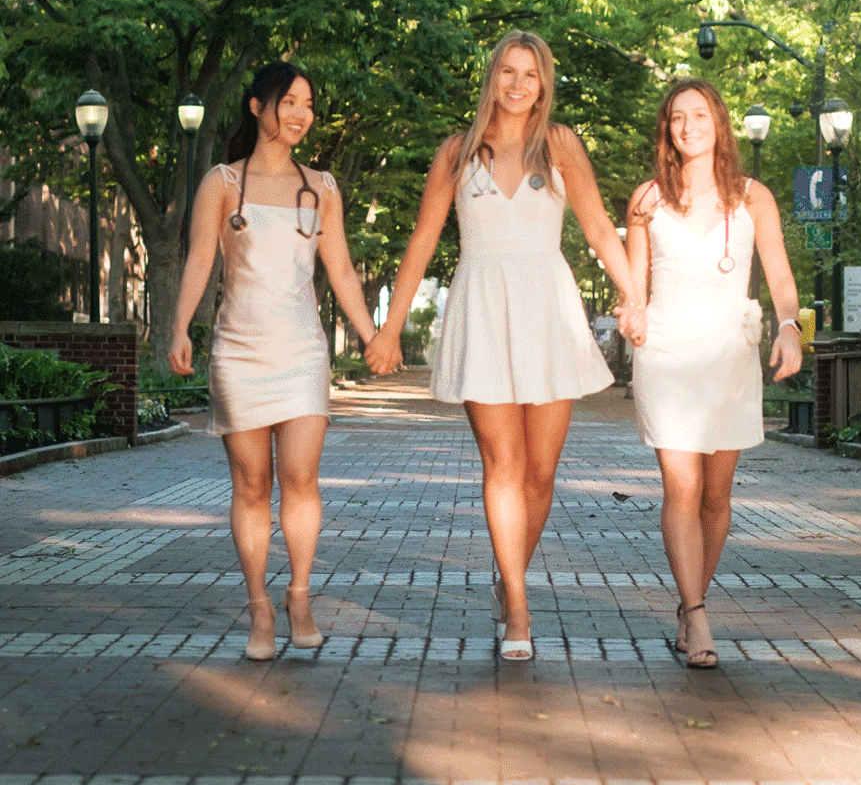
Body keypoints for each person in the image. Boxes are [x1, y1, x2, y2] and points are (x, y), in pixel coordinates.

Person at [366, 32, 645, 661]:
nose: (518, 84)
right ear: (492, 77)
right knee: (503, 465)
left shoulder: (561, 145)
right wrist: (389, 328)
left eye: (530, 74)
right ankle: (517, 602)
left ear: (544, 85)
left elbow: (599, 226)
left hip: (548, 310)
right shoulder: (457, 152)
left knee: (540, 473)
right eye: (508, 72)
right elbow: (423, 240)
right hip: (483, 309)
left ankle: (507, 572)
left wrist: (635, 297)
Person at [168, 62, 380, 661]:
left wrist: (372, 336)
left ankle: (300, 597)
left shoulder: (323, 188)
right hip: (238, 350)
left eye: (308, 104)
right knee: (252, 483)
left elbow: (342, 270)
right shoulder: (222, 183)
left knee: (301, 478)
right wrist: (179, 328)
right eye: (289, 101)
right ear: (258, 106)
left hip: (302, 351)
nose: (300, 114)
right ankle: (259, 606)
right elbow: (199, 261)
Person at [624, 79, 802, 669]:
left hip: (728, 354)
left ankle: (689, 599)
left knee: (716, 496)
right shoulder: (647, 199)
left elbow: (778, 273)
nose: (689, 126)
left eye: (699, 114)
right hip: (667, 354)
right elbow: (635, 285)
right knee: (682, 486)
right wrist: (631, 313)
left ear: (719, 123)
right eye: (677, 117)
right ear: (667, 130)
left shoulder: (754, 197)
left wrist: (789, 327)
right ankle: (698, 612)